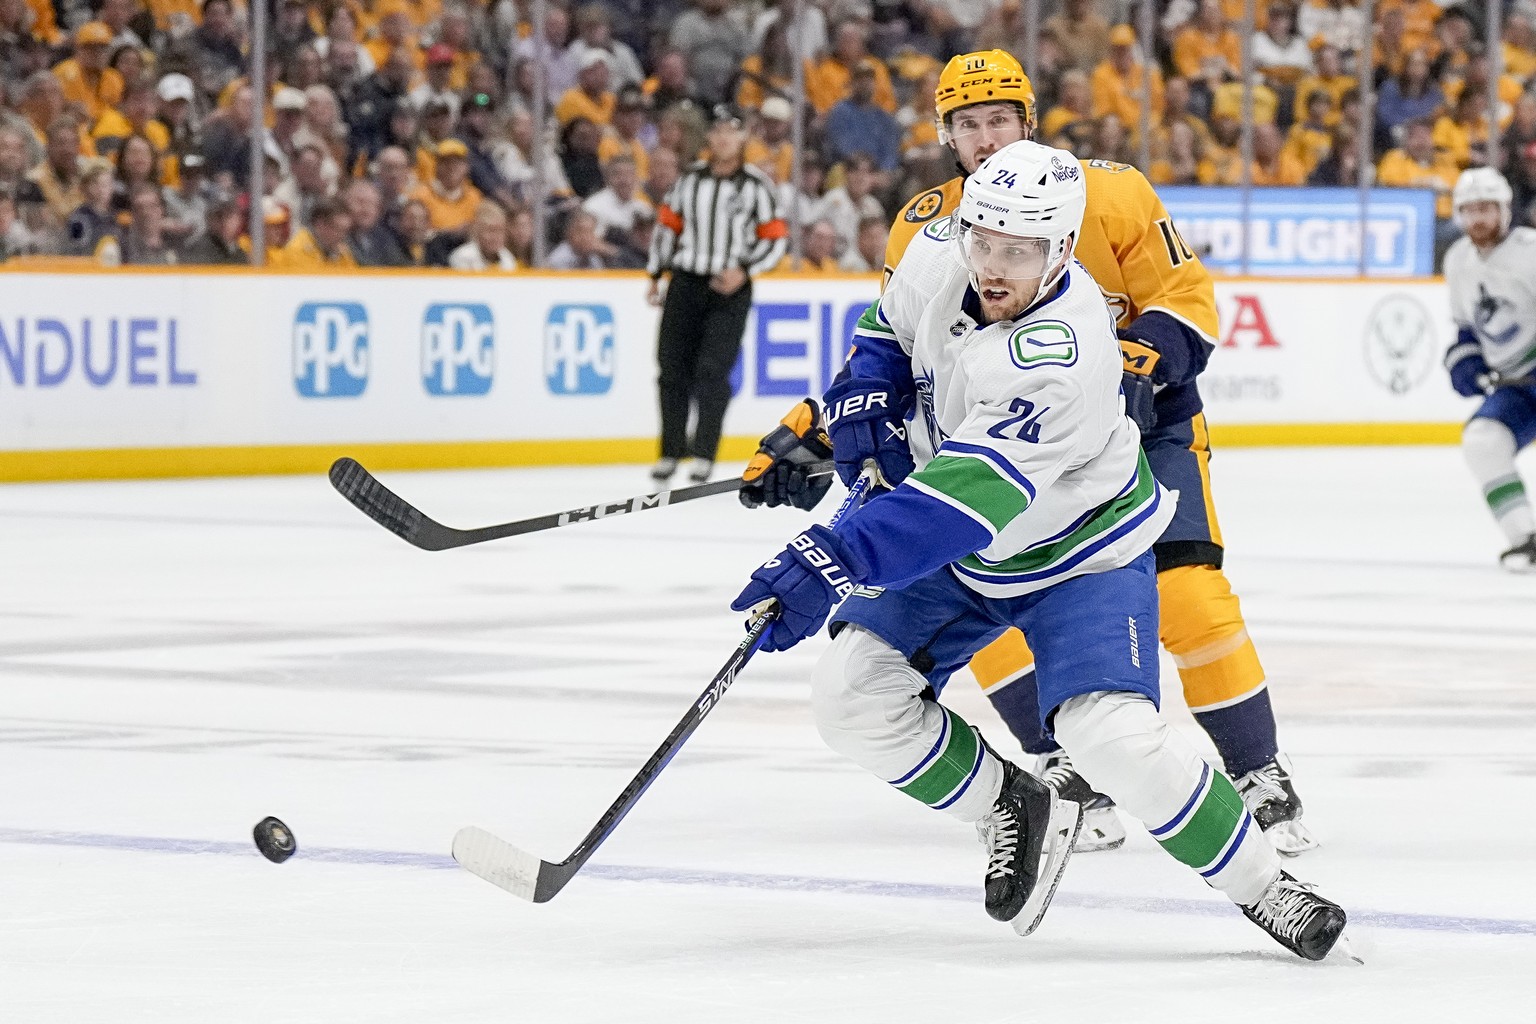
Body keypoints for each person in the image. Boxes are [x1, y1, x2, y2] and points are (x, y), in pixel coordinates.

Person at [732, 140, 1349, 960]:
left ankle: (1267, 886)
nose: (992, 265)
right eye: (982, 240)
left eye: (1018, 253)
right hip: (967, 553)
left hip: (1077, 556)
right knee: (849, 697)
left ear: (1061, 249)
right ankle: (1010, 804)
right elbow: (885, 332)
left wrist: (833, 555)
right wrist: (861, 403)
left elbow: (966, 498)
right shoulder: (943, 245)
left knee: (1112, 740)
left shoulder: (1063, 352)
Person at [646, 103, 786, 485]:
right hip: (686, 281)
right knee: (671, 368)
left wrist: (744, 271)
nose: (724, 138)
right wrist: (656, 273)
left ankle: (704, 452)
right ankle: (670, 450)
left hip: (730, 289)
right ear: (709, 137)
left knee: (713, 370)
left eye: (732, 131)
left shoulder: (756, 185)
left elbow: (775, 239)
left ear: (741, 138)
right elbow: (667, 228)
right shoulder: (688, 181)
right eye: (718, 131)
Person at [1441, 168, 1536, 572]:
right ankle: (1525, 537)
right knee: (1483, 439)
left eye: (1486, 209)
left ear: (1504, 210)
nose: (1477, 219)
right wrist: (1467, 364)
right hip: (1518, 387)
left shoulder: (1530, 252)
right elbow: (1466, 327)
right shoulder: (1457, 259)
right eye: (1469, 210)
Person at [448, 201, 517, 270]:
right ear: (477, 232)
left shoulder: (508, 258)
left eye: (500, 231)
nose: (496, 237)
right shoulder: (462, 257)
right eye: (490, 230)